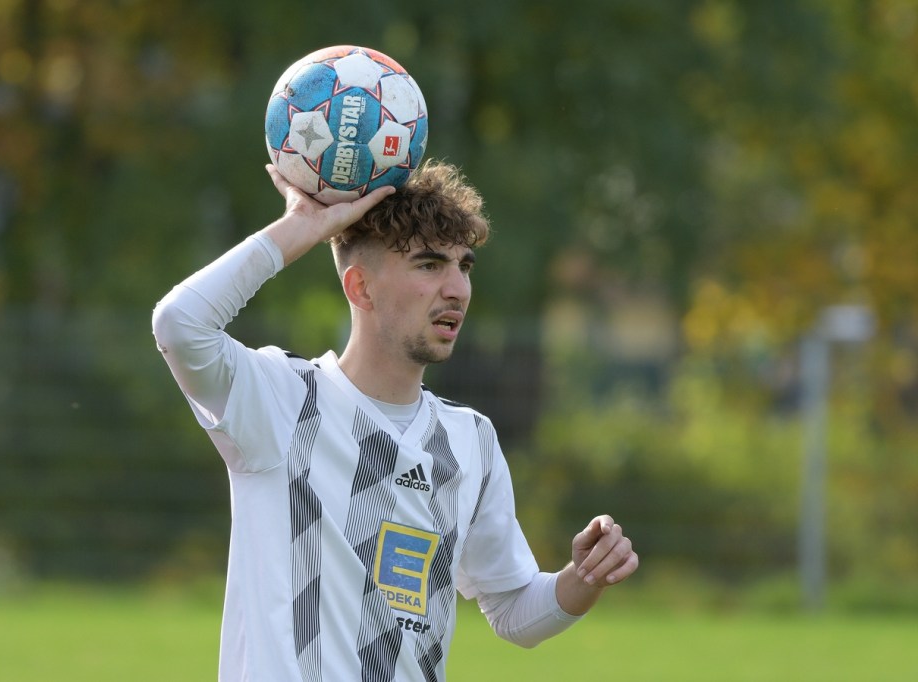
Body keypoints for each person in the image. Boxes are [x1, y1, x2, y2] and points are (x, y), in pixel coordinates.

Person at [151, 160, 638, 681]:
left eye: (464, 266)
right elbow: (179, 324)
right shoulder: (281, 401)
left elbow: (513, 608)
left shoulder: (470, 440)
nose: (457, 289)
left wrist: (583, 578)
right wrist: (303, 226)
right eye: (429, 265)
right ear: (360, 288)